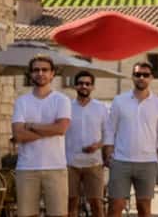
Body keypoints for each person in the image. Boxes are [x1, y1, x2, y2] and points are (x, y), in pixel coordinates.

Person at [103, 62, 158, 217]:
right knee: (115, 207)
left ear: (151, 78)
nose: (141, 77)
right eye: (138, 74)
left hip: (147, 162)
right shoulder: (119, 101)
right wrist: (108, 152)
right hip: (120, 160)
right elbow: (110, 128)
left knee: (144, 208)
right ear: (132, 77)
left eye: (145, 75)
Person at [12, 54, 72, 217]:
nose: (40, 73)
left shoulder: (62, 100)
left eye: (45, 70)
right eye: (36, 70)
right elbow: (18, 135)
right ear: (30, 74)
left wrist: (31, 126)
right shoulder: (22, 101)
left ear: (52, 73)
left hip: (56, 167)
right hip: (27, 168)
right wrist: (50, 129)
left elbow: (61, 129)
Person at [66, 70, 109, 217]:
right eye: (80, 83)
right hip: (70, 163)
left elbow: (108, 134)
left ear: (92, 87)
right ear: (75, 86)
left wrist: (98, 145)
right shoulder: (67, 107)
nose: (84, 86)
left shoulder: (101, 108)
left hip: (94, 164)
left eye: (87, 84)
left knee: (97, 205)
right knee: (71, 204)